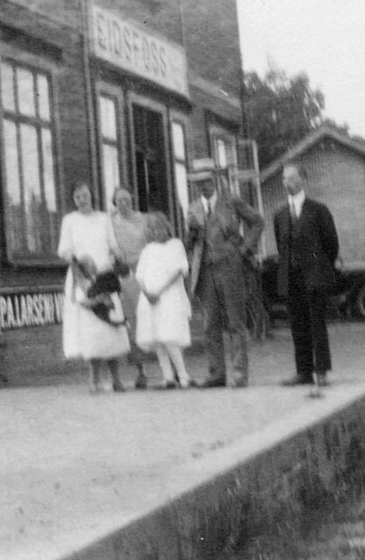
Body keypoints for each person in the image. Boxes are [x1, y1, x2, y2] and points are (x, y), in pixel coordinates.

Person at [184, 158, 264, 388]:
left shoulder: (231, 202)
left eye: (207, 181)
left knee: (235, 321)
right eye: (199, 182)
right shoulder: (193, 209)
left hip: (230, 266)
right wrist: (191, 236)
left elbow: (257, 222)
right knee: (210, 324)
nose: (204, 186)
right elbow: (189, 244)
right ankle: (216, 373)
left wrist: (245, 249)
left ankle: (239, 374)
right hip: (205, 270)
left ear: (216, 179)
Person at [57, 180, 132, 393]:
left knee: (111, 324)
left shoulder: (103, 219)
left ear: (92, 195)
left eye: (85, 195)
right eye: (77, 196)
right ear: (73, 199)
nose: (82, 199)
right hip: (83, 276)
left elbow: (113, 246)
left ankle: (116, 379)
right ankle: (94, 380)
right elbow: (64, 249)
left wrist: (118, 260)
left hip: (105, 276)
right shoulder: (69, 220)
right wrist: (78, 262)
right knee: (92, 329)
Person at [273, 163, 340, 387]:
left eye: (291, 178)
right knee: (297, 325)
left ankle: (321, 370)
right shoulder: (280, 214)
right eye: (284, 179)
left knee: (316, 323)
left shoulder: (318, 210)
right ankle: (303, 371)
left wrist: (319, 268)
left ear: (303, 178)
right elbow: (281, 247)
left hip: (314, 276)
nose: (287, 183)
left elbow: (331, 244)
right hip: (291, 278)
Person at [134, 212, 193, 389]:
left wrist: (159, 291)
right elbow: (139, 275)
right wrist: (147, 293)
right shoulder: (147, 249)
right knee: (158, 338)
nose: (156, 231)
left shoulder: (176, 245)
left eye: (159, 227)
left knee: (169, 336)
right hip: (149, 298)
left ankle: (183, 375)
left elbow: (179, 270)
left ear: (167, 227)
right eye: (152, 228)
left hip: (168, 296)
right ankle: (167, 376)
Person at [110, 186, 152, 389]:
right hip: (124, 275)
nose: (123, 203)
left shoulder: (144, 220)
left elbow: (152, 245)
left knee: (150, 317)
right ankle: (141, 371)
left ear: (132, 199)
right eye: (119, 200)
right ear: (114, 203)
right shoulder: (111, 223)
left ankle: (170, 367)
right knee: (131, 322)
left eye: (126, 199)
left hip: (144, 272)